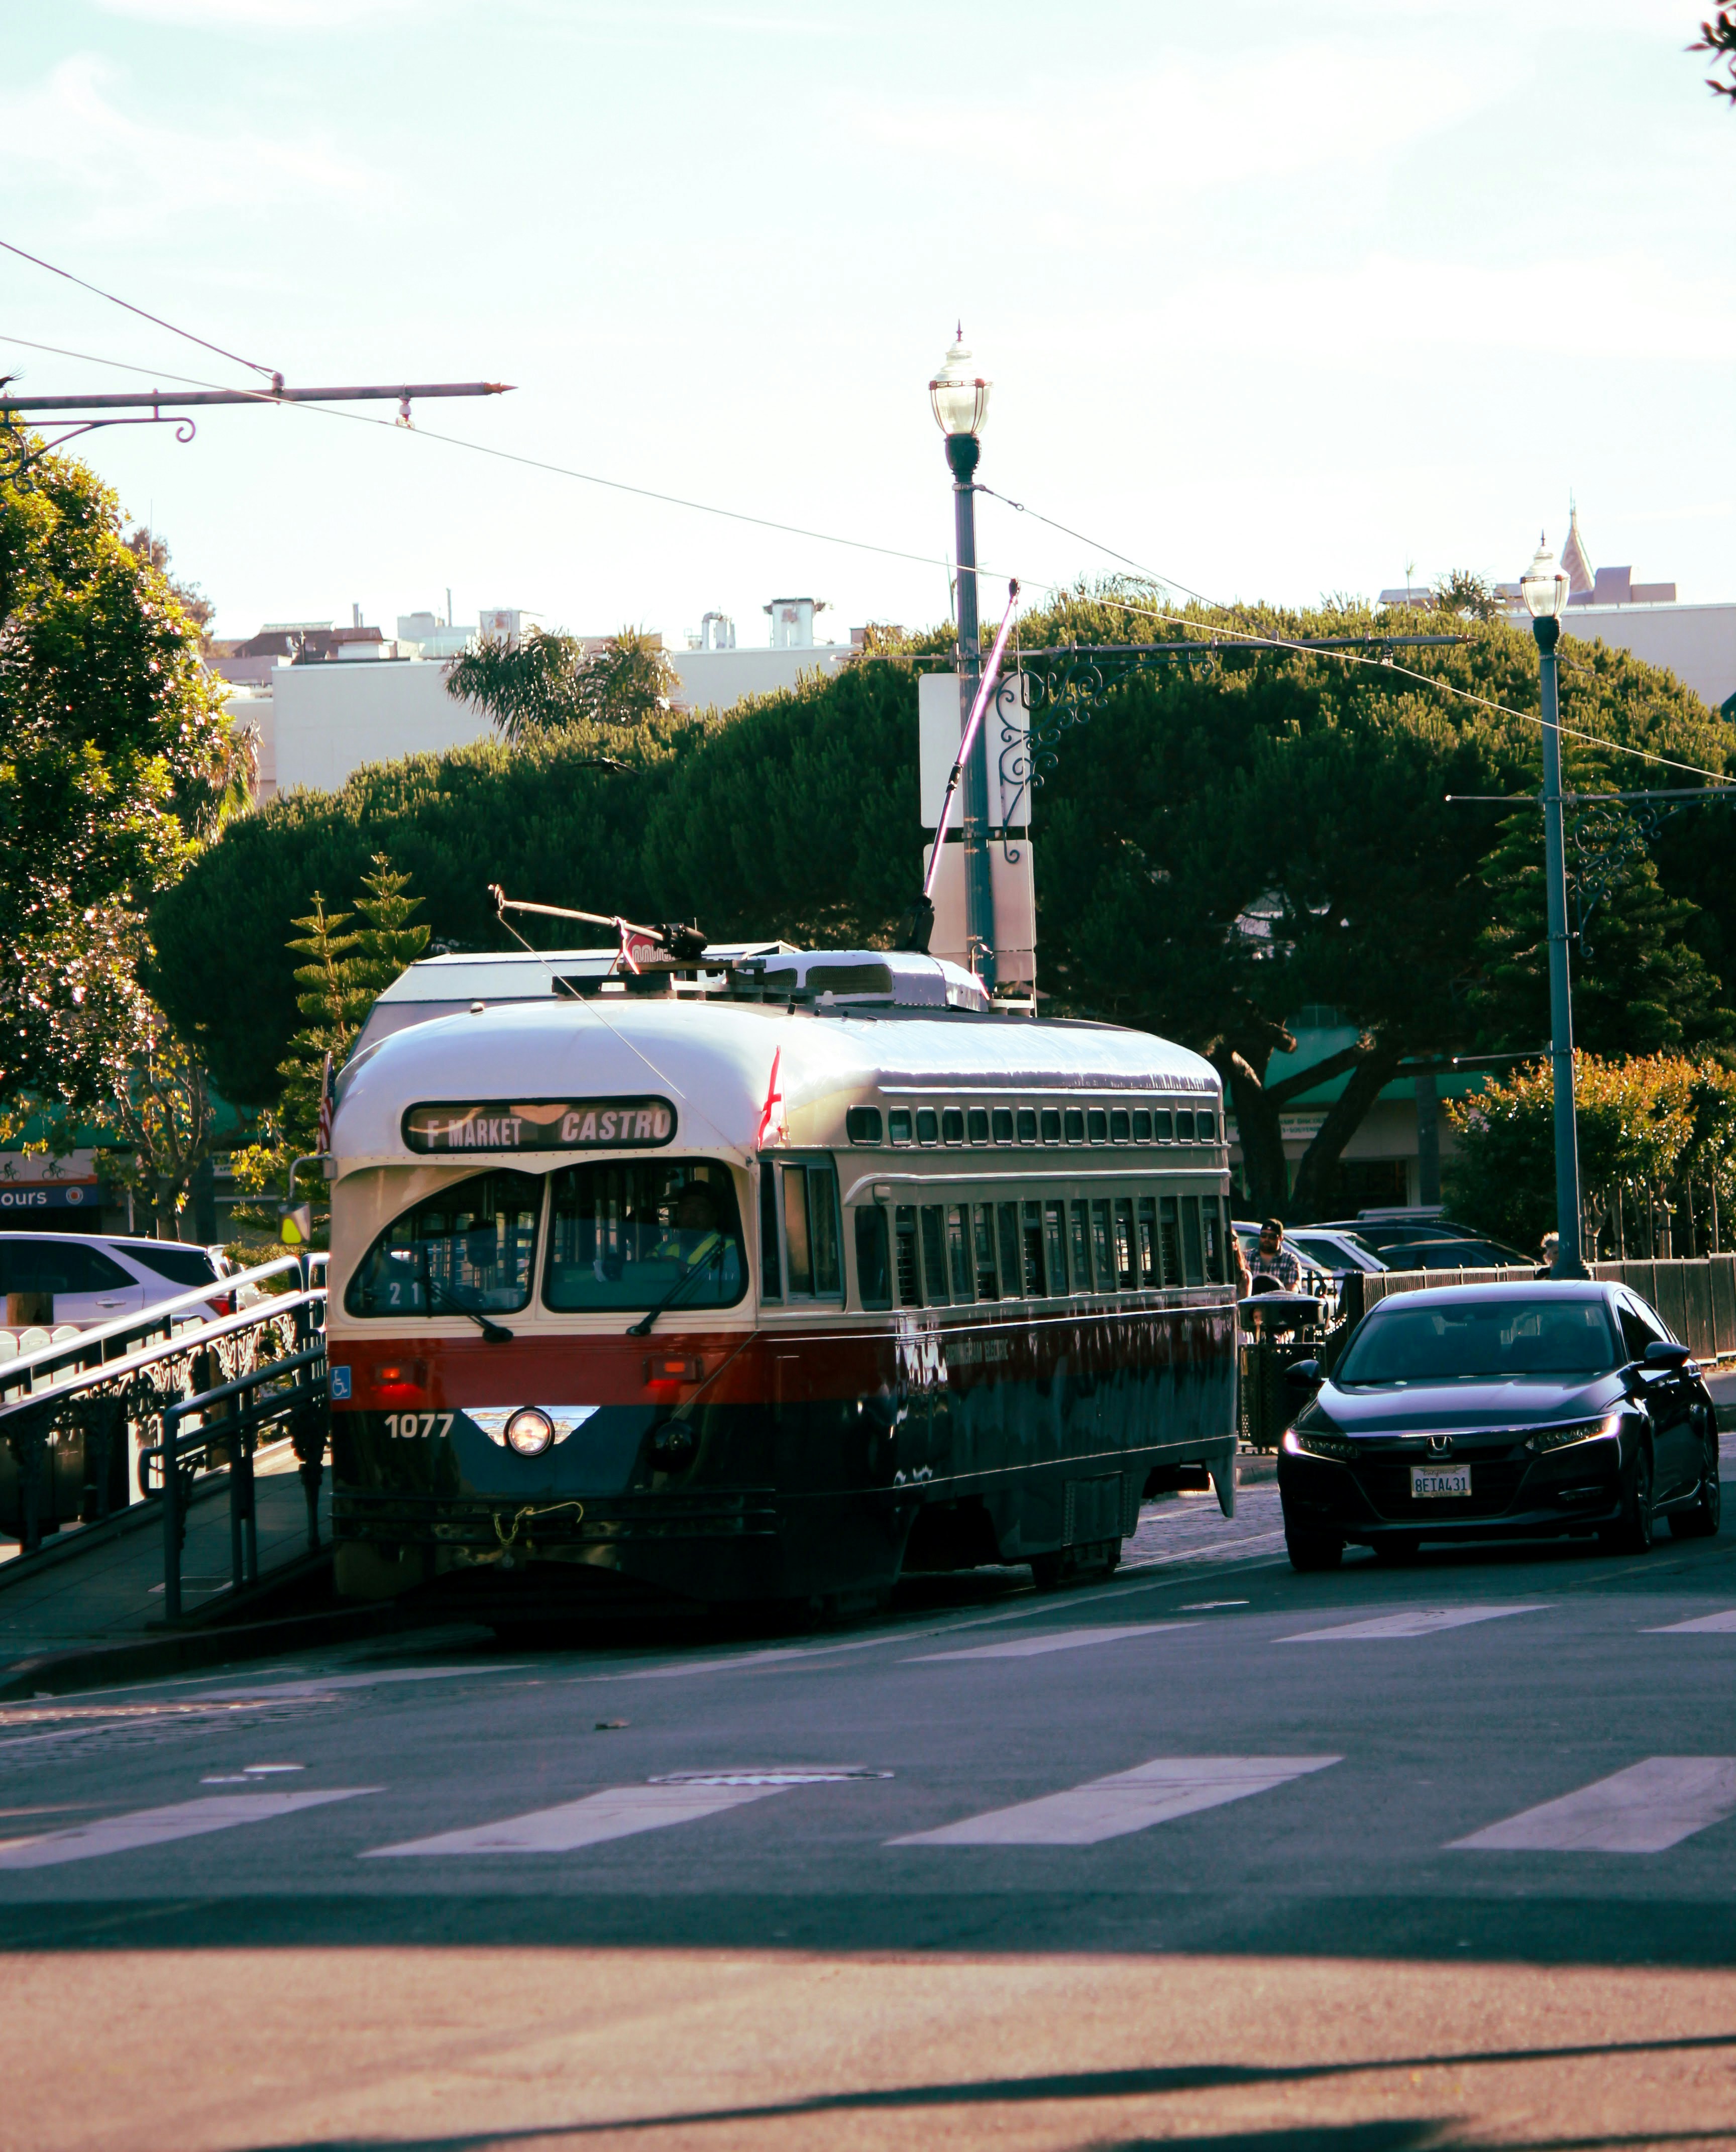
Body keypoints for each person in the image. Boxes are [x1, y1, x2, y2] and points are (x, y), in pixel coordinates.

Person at [1252, 1217, 1300, 1293]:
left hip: (1278, 1302)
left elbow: (1292, 1289)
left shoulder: (1290, 1260)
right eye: (1264, 1235)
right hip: (1251, 1303)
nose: (1267, 1239)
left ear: (1281, 1239)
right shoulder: (1246, 1257)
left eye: (1272, 1237)